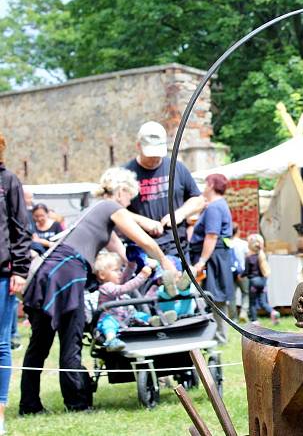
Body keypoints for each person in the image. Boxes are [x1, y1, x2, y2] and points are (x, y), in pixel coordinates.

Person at [20, 167, 176, 415]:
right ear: (122, 191)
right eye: (129, 198)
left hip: (51, 272)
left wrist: (142, 260)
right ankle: (77, 405)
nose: (129, 203)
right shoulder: (108, 207)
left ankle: (29, 405)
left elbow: (124, 253)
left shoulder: (95, 212)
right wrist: (166, 263)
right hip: (67, 271)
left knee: (40, 344)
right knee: (70, 340)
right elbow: (144, 240)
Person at [123, 121, 206, 268]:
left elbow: (199, 200)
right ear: (138, 146)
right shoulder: (126, 174)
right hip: (144, 250)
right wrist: (142, 221)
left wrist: (180, 214)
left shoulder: (176, 167)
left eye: (158, 153)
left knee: (182, 289)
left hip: (177, 247)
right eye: (150, 154)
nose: (155, 158)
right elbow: (114, 210)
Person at [0, 132, 32, 434]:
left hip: (2, 274)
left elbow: (21, 230)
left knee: (0, 343)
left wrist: (20, 270)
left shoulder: (8, 181)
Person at [94, 252, 176, 352]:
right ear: (102, 275)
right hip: (111, 318)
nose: (120, 272)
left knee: (140, 315)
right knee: (108, 324)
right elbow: (124, 288)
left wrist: (131, 263)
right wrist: (142, 275)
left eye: (120, 269)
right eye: (116, 270)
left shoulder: (118, 282)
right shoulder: (106, 287)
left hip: (127, 317)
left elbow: (126, 275)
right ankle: (111, 340)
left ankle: (155, 320)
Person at [191, 174, 235, 344]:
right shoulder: (216, 205)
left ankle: (218, 337)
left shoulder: (215, 208)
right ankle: (217, 335)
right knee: (214, 296)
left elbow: (211, 236)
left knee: (214, 296)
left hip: (213, 258)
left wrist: (201, 261)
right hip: (217, 256)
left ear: (210, 184)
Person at [243, 234, 279, 325]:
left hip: (254, 283)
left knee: (252, 303)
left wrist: (240, 275)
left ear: (250, 246)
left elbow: (246, 272)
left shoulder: (248, 258)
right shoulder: (263, 256)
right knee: (263, 302)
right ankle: (273, 312)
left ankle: (255, 321)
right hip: (263, 283)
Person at [228, 223, 250, 322]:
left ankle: (233, 317)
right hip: (243, 272)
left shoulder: (227, 243)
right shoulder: (243, 244)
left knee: (232, 295)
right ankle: (244, 312)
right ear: (237, 231)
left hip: (230, 273)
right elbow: (248, 259)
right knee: (245, 293)